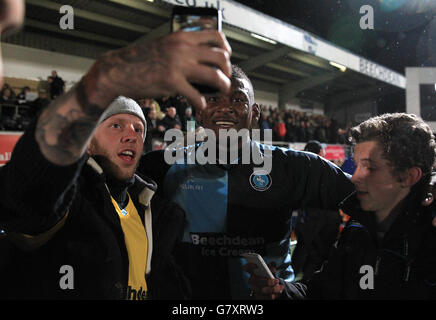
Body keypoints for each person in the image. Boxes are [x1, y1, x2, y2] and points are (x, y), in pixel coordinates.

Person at [0, 0, 233, 299]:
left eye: (138, 129)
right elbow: (31, 184)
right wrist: (103, 83)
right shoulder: (65, 202)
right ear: (88, 140)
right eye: (116, 126)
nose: (130, 135)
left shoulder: (157, 210)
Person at [138, 64, 354, 299]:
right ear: (198, 112)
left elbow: (372, 201)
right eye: (213, 99)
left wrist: (310, 288)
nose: (225, 108)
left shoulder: (293, 167)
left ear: (255, 113)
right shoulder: (161, 166)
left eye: (238, 100)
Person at [249, 113, 436, 299]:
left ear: (409, 177)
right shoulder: (359, 229)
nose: (354, 177)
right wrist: (282, 291)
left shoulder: (427, 240)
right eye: (357, 166)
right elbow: (322, 292)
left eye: (370, 167)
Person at [292, 140, 342, 282]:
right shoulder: (327, 170)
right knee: (315, 257)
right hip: (321, 220)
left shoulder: (299, 171)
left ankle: (289, 285)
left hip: (306, 219)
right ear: (320, 153)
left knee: (302, 253)